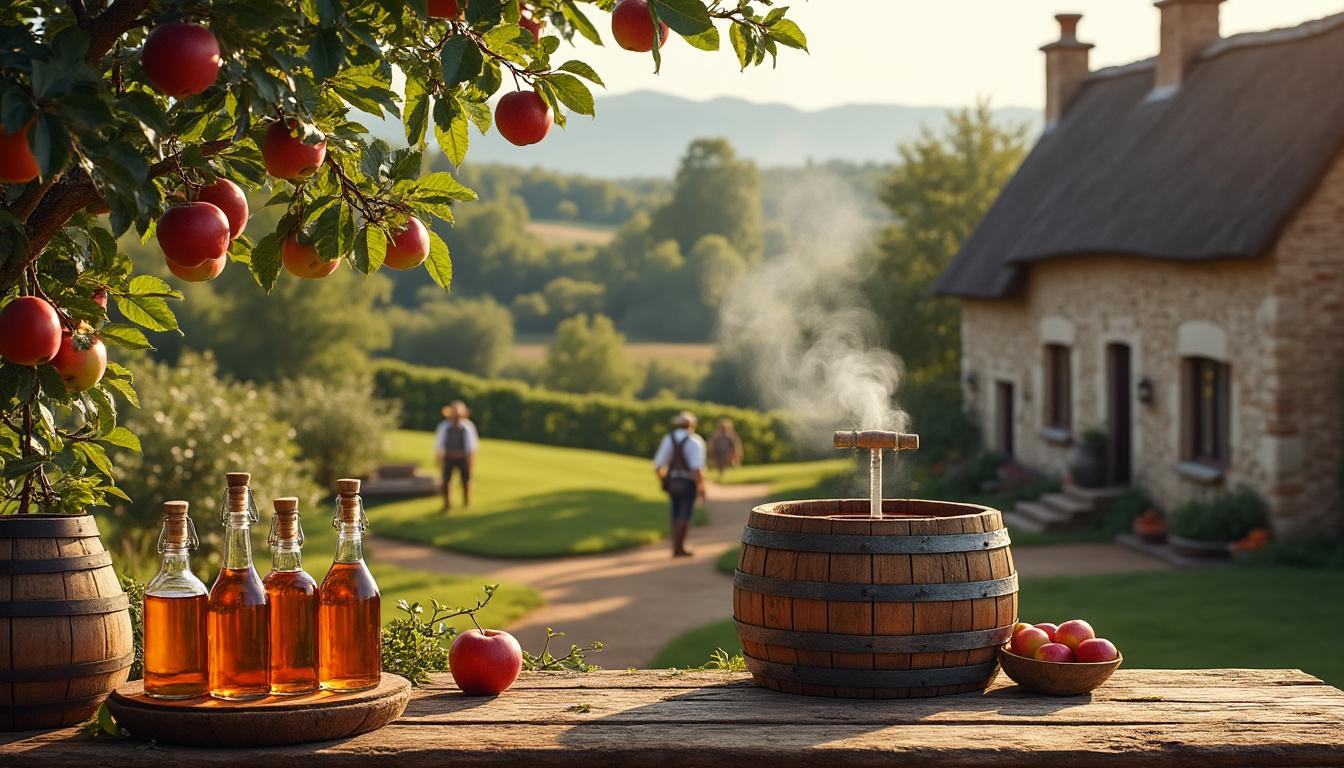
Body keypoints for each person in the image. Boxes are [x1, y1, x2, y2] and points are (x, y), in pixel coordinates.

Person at [652, 411, 706, 558]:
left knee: (675, 513)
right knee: (685, 514)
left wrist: (664, 480)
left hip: (672, 482)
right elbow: (696, 469)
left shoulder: (668, 439)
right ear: (692, 425)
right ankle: (679, 547)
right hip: (688, 483)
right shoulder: (695, 441)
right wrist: (701, 487)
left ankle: (675, 546)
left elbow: (657, 466)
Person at [434, 400, 479, 513]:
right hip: (448, 457)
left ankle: (466, 502)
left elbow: (471, 446)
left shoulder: (468, 427)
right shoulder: (444, 426)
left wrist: (471, 460)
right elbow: (439, 444)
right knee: (446, 482)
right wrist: (438, 457)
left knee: (466, 481)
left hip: (463, 457)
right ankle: (447, 505)